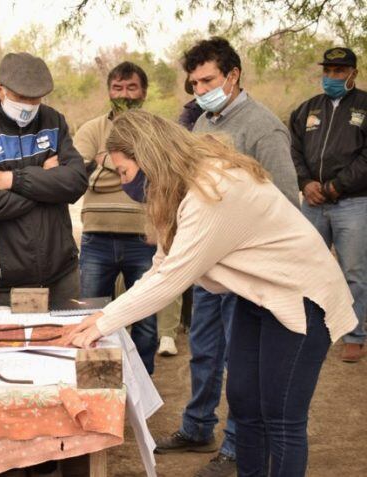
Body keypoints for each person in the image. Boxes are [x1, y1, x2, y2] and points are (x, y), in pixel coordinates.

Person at [69, 109, 356, 477]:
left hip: (301, 298)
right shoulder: (182, 187)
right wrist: (100, 318)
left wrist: (103, 322)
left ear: (149, 158)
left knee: (281, 416)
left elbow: (172, 278)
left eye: (124, 172)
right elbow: (162, 266)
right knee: (246, 406)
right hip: (259, 298)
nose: (124, 183)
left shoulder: (212, 189)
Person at [153, 37, 302, 477]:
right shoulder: (201, 123)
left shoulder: (264, 127)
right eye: (194, 82)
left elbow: (288, 205)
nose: (199, 89)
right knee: (202, 350)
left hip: (246, 269)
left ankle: (237, 448)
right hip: (208, 266)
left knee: (241, 367)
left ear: (233, 76)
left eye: (208, 80)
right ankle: (198, 427)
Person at [0, 52, 88, 308]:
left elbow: (75, 181)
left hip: (61, 273)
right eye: (21, 97)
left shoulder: (53, 120)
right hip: (2, 281)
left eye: (35, 98)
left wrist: (14, 180)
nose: (29, 105)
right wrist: (47, 184)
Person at [73, 61, 177, 373]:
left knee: (145, 322)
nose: (125, 94)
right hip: (96, 240)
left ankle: (141, 384)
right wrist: (129, 169)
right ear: (109, 91)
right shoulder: (92, 129)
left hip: (143, 240)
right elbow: (79, 179)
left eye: (132, 87)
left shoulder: (156, 130)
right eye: (118, 88)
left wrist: (103, 163)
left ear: (144, 92)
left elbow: (160, 178)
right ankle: (96, 381)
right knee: (92, 314)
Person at [290, 47, 367, 363]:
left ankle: (355, 335)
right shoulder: (307, 109)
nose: (332, 77)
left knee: (354, 272)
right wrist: (305, 183)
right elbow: (292, 151)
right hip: (312, 203)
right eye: (328, 71)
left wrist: (337, 186)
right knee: (308, 268)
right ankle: (308, 328)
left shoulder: (364, 106)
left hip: (353, 203)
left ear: (353, 73)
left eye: (339, 71)